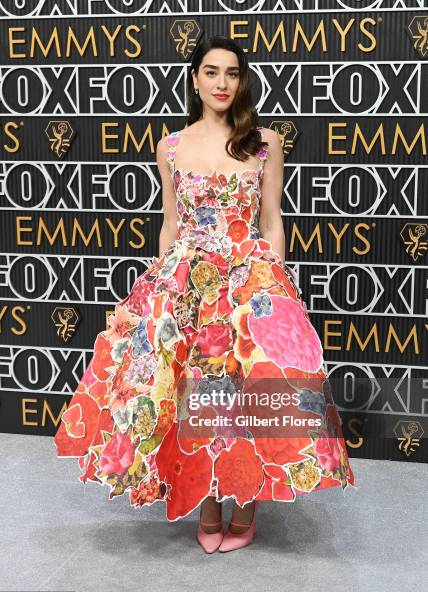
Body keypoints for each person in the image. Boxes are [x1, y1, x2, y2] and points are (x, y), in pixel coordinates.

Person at [54, 35, 355, 554]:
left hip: (248, 278)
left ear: (242, 81)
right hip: (188, 280)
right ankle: (209, 501)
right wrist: (158, 280)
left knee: (250, 391)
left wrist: (274, 280)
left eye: (232, 73)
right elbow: (171, 221)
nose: (221, 83)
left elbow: (272, 219)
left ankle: (246, 504)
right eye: (211, 72)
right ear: (195, 79)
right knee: (195, 392)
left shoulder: (264, 142)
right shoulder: (170, 146)